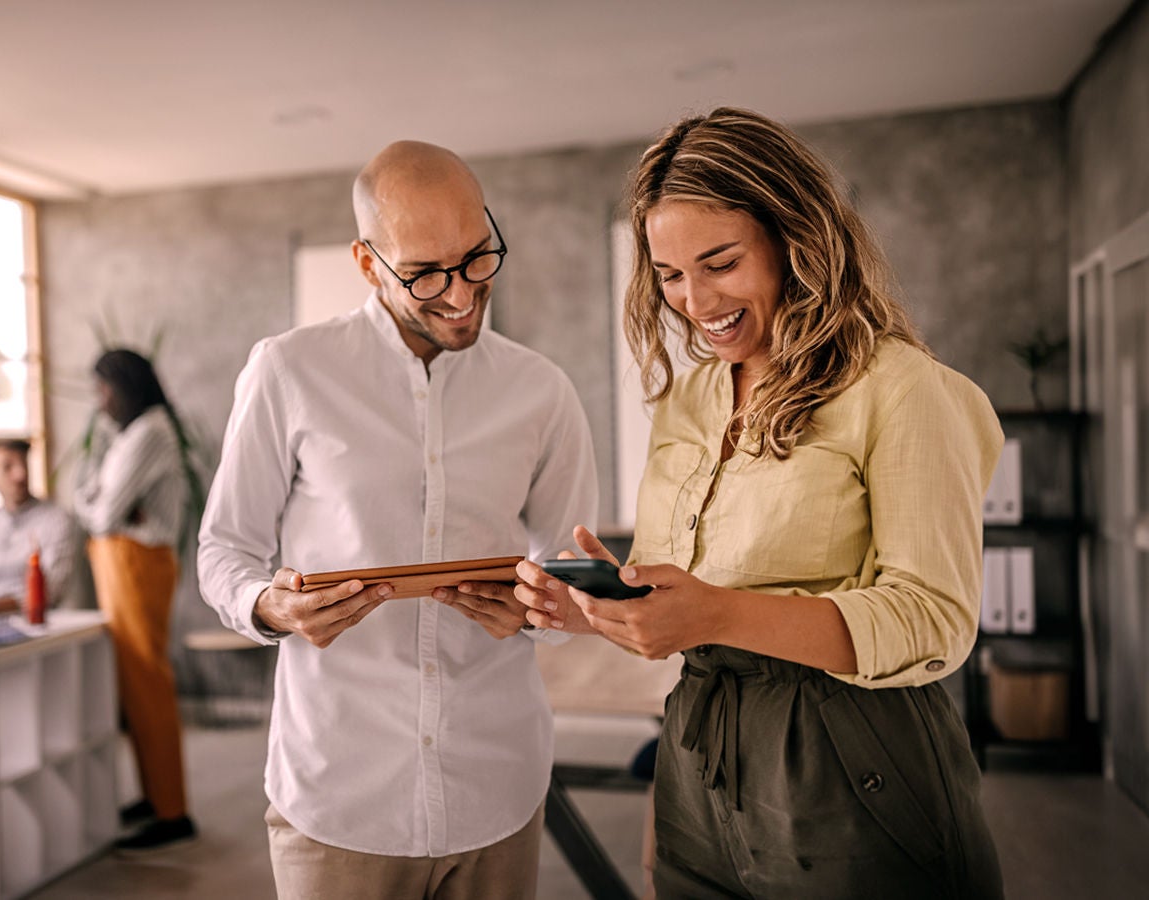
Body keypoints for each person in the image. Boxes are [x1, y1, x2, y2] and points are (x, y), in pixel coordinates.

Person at [516, 107, 1005, 899]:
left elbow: (934, 623)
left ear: (794, 238)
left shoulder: (904, 391)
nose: (693, 300)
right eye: (670, 275)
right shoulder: (690, 399)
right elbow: (689, 593)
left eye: (720, 263)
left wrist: (716, 615)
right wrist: (602, 608)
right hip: (698, 753)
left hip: (852, 759)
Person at [198, 140, 599, 899]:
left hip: (497, 783)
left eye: (478, 257)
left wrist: (540, 609)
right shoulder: (289, 371)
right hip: (340, 794)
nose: (460, 293)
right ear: (366, 262)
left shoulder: (542, 392)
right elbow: (225, 547)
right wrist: (270, 606)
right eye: (424, 273)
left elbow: (574, 573)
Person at [74, 348, 197, 852]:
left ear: (126, 386)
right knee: (135, 683)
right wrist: (100, 501)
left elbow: (99, 513)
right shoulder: (130, 434)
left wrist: (95, 501)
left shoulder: (148, 432)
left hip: (136, 564)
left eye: (105, 389)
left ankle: (172, 812)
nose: (100, 402)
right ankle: (155, 796)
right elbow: (99, 501)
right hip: (123, 562)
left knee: (147, 682)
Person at [0, 438, 80, 619]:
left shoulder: (56, 520)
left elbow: (49, 592)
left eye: (23, 464)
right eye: (7, 467)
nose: (20, 474)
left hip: (33, 624)